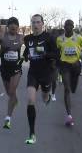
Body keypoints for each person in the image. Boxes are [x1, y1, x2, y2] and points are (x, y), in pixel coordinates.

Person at [23, 14, 58, 144]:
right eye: (33, 22)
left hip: (46, 73)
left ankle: (47, 96)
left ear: (42, 24)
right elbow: (27, 51)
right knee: (30, 100)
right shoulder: (28, 38)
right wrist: (25, 56)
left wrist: (45, 54)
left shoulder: (49, 38)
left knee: (44, 97)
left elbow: (57, 54)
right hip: (33, 73)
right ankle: (32, 133)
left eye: (38, 22)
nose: (35, 25)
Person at [0, 17, 24, 129]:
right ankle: (14, 100)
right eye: (11, 27)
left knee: (12, 90)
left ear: (18, 28)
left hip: (16, 69)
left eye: (16, 28)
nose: (14, 30)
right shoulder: (1, 37)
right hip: (4, 69)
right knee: (10, 94)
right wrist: (2, 50)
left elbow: (30, 48)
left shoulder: (21, 38)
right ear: (8, 27)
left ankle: (8, 118)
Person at [56, 19, 82, 126]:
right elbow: (56, 52)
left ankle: (72, 87)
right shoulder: (59, 39)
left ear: (73, 27)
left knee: (73, 88)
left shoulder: (79, 38)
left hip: (76, 65)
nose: (68, 27)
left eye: (70, 26)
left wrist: (80, 58)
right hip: (65, 65)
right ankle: (69, 115)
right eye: (67, 26)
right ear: (64, 27)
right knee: (67, 89)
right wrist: (57, 62)